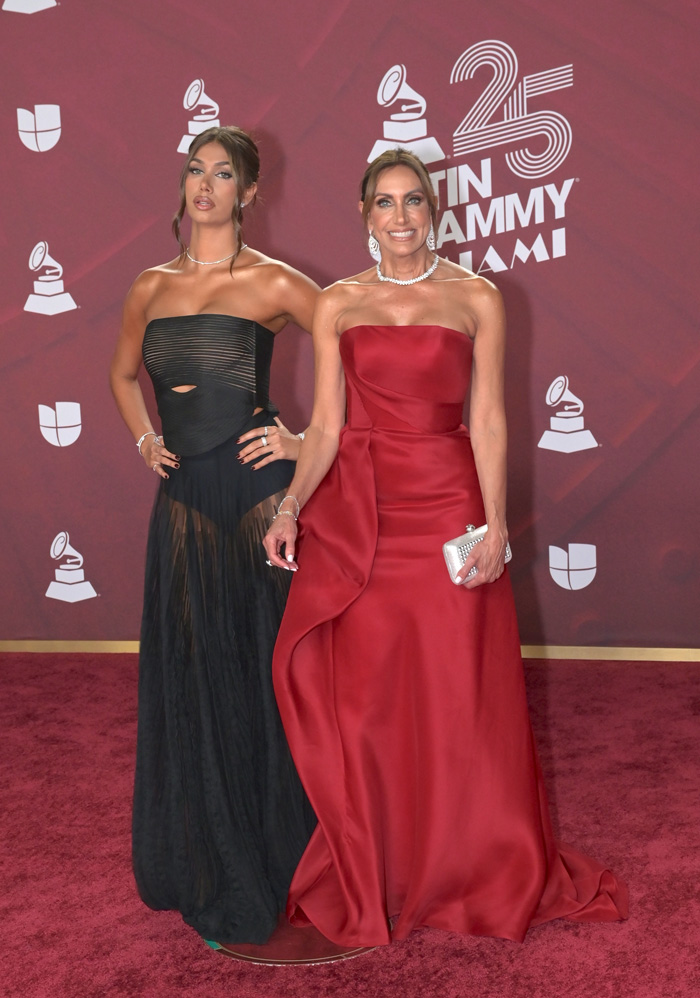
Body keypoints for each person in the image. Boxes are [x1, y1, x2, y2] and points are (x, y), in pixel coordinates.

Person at [263, 149, 628, 947]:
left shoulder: (477, 297)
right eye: (385, 204)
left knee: (457, 692)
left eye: (414, 202)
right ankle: (382, 865)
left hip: (446, 510)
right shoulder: (337, 302)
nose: (400, 218)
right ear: (364, 215)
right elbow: (325, 424)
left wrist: (495, 522)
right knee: (368, 700)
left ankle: (468, 864)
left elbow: (488, 419)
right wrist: (292, 503)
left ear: (436, 210)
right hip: (362, 512)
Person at [110, 125, 319, 946]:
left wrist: (307, 442)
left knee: (270, 677)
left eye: (222, 174)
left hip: (258, 499)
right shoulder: (149, 286)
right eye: (194, 172)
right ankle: (215, 857)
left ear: (249, 191)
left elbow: (361, 356)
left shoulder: (275, 282)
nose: (204, 186)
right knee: (200, 679)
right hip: (188, 501)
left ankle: (293, 857)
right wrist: (140, 436)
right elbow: (123, 373)